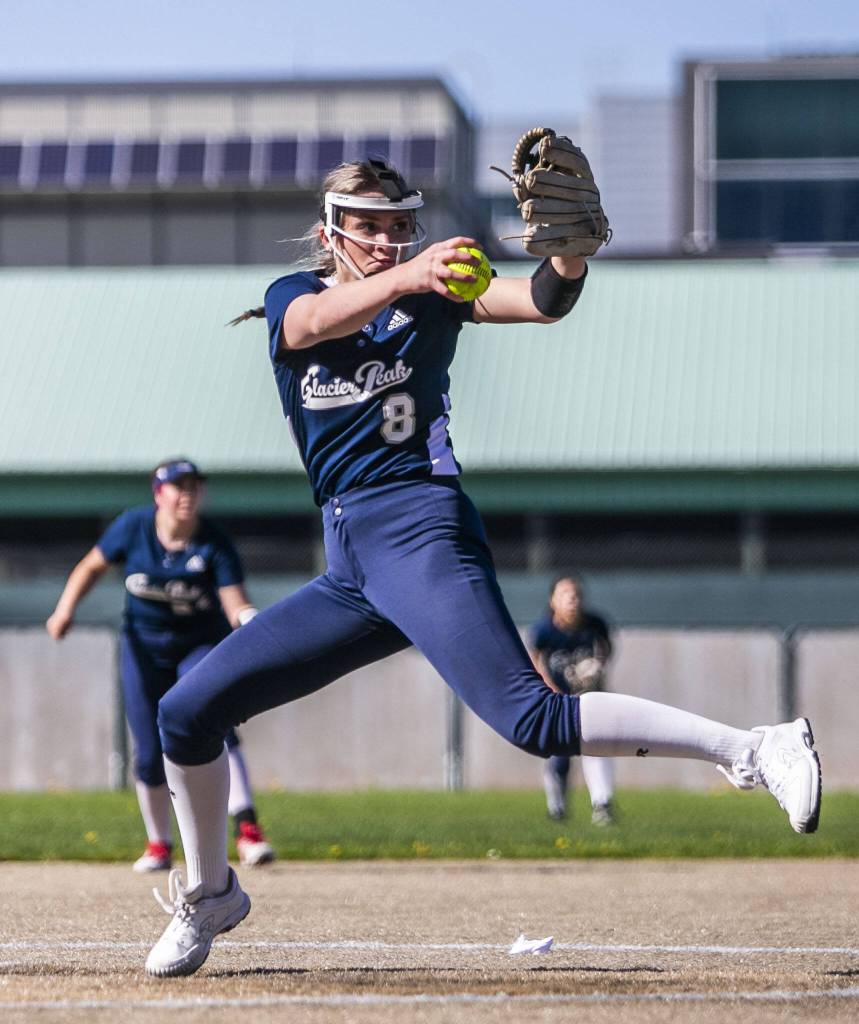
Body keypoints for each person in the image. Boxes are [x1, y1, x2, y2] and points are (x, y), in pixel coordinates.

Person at [142, 157, 821, 978]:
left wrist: (567, 258)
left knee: (531, 720)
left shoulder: (436, 288)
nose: (388, 239)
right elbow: (307, 326)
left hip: (420, 526)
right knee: (185, 713)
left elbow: (539, 302)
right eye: (367, 224)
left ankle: (754, 750)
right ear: (330, 234)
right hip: (353, 559)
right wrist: (413, 279)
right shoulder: (299, 295)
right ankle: (213, 895)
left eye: (399, 224)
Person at [46, 458, 275, 872]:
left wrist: (250, 620)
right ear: (158, 494)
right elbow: (91, 566)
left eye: (194, 486)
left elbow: (233, 602)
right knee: (149, 752)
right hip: (143, 649)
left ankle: (248, 833)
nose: (187, 494)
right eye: (178, 486)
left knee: (212, 723)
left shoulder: (213, 542)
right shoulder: (132, 528)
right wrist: (64, 610)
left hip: (198, 644)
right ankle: (159, 845)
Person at [529, 574, 616, 825]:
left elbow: (606, 649)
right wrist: (551, 688)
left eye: (576, 594)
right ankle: (557, 807)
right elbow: (535, 658)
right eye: (565, 594)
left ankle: (602, 804)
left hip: (588, 698)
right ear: (553, 600)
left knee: (598, 747)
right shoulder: (544, 630)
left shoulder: (595, 624)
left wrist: (597, 669)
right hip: (558, 699)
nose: (572, 599)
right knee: (559, 753)